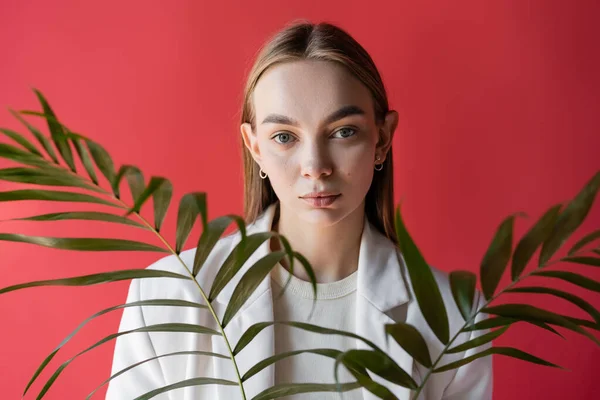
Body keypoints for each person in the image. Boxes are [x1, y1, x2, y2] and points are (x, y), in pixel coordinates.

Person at [106, 20, 493, 400]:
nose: (315, 166)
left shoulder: (453, 316)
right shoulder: (170, 295)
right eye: (285, 137)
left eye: (344, 131)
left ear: (382, 137)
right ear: (255, 146)